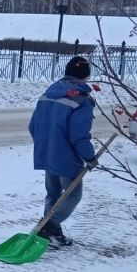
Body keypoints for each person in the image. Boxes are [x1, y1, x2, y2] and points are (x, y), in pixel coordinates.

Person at [28, 55, 99, 247]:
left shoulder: (48, 94)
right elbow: (79, 134)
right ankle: (48, 226)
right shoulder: (81, 100)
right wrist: (89, 157)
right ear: (86, 76)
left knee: (53, 194)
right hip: (67, 158)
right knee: (72, 195)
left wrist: (45, 146)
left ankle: (52, 234)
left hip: (47, 154)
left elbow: (33, 126)